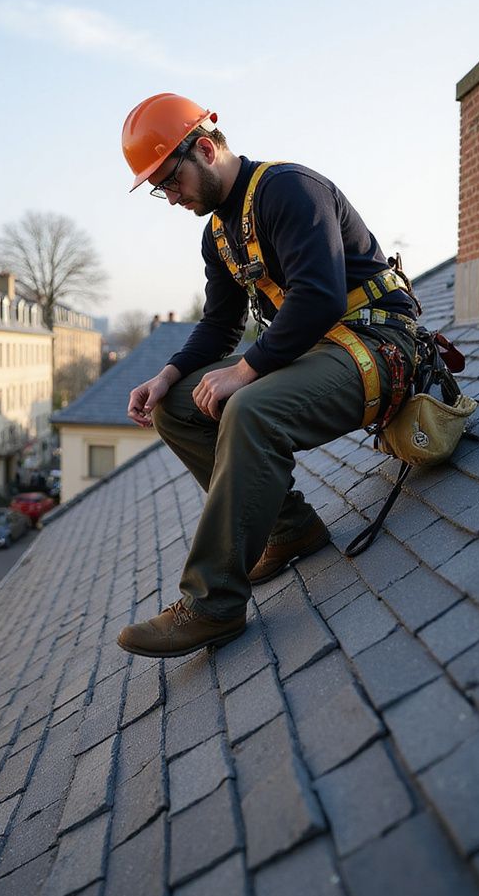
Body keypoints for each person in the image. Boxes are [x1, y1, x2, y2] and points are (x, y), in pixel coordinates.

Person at [117, 93, 418, 658]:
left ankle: (212, 605)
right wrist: (166, 376)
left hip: (378, 344)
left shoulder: (289, 190)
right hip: (321, 349)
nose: (169, 196)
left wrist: (247, 374)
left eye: (169, 181)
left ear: (204, 149)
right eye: (158, 188)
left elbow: (321, 295)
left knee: (249, 408)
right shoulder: (219, 235)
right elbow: (220, 325)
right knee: (176, 405)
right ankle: (288, 527)